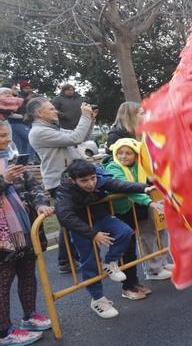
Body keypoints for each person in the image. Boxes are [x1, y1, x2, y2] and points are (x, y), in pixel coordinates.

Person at [55, 160, 154, 318]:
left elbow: (117, 185)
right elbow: (65, 216)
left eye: (92, 178)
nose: (90, 184)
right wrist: (93, 234)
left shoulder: (99, 178)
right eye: (84, 181)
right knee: (90, 261)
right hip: (81, 226)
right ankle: (98, 299)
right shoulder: (65, 191)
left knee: (125, 231)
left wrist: (144, 188)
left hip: (101, 216)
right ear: (73, 180)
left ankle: (110, 262)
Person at [0, 120, 54, 346]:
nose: (7, 139)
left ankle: (29, 315)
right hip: (4, 238)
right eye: (2, 136)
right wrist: (5, 180)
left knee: (28, 274)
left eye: (7, 134)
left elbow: (34, 188)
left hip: (26, 229)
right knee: (3, 281)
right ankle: (4, 332)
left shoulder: (13, 158)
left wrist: (41, 204)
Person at [27, 97, 96, 273]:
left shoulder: (52, 128)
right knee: (71, 221)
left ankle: (66, 260)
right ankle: (67, 261)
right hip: (59, 181)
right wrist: (84, 117)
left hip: (68, 178)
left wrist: (91, 118)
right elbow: (75, 137)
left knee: (70, 221)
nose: (55, 111)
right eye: (51, 109)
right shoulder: (39, 132)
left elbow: (81, 138)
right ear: (39, 113)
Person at [105, 138, 173, 282]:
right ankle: (152, 270)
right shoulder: (113, 167)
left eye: (128, 153)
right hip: (123, 210)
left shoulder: (140, 165)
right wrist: (149, 201)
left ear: (136, 155)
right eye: (120, 153)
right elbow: (127, 188)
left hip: (138, 206)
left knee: (157, 231)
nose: (123, 156)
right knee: (141, 239)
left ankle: (162, 263)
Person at [7, 82, 35, 161]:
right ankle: (30, 161)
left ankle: (23, 163)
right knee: (32, 139)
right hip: (16, 123)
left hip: (24, 123)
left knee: (24, 144)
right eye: (14, 88)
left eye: (30, 88)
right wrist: (23, 116)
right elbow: (9, 113)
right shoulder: (11, 99)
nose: (29, 90)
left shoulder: (20, 97)